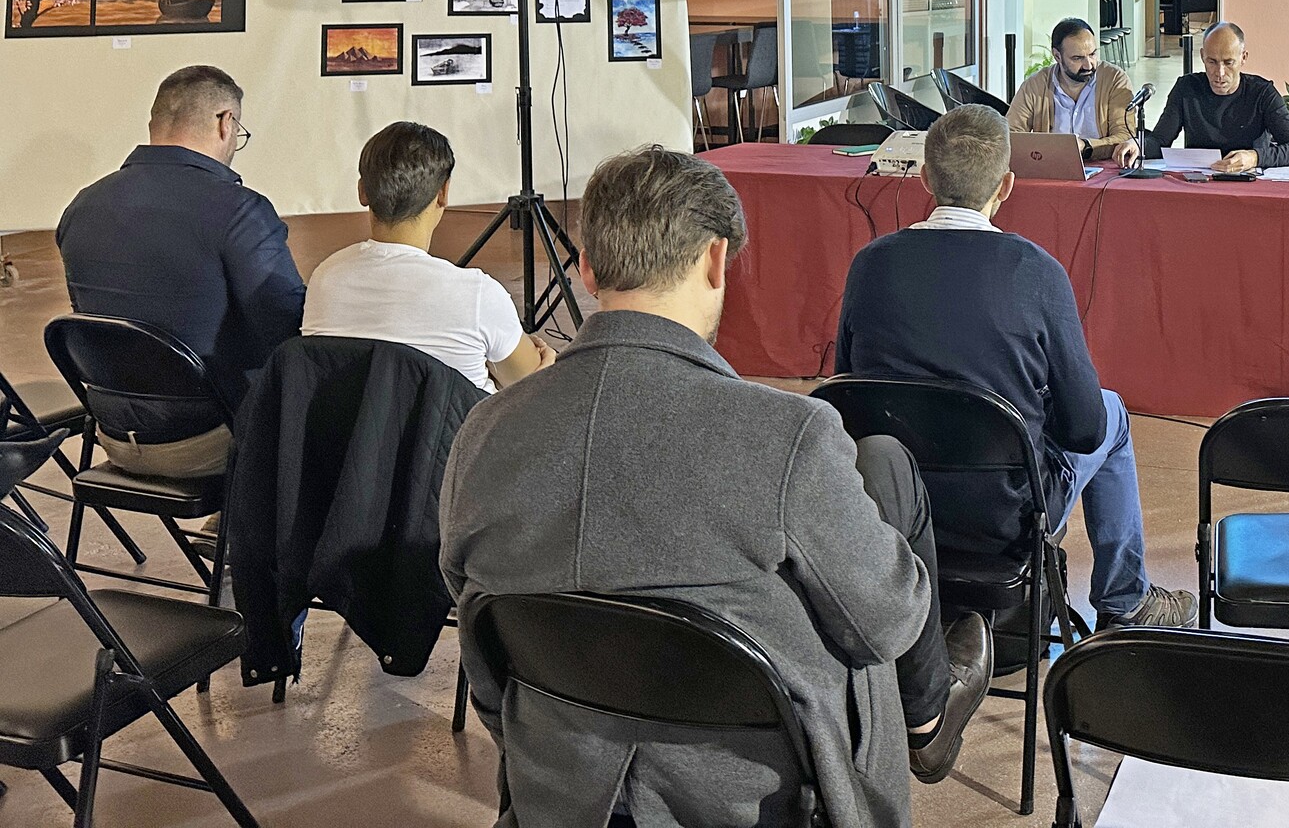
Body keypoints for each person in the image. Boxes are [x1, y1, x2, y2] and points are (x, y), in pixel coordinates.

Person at [440, 145, 992, 828]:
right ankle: (929, 719)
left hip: (556, 784)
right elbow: (889, 620)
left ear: (587, 269)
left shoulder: (483, 432)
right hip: (759, 797)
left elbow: (478, 621)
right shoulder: (789, 435)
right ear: (714, 259)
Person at [836, 106, 1194, 632]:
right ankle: (1125, 601)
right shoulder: (1036, 271)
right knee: (1112, 414)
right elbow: (1085, 428)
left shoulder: (869, 263)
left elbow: (849, 398)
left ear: (925, 178)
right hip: (1005, 514)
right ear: (1006, 185)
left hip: (891, 500)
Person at [57, 65, 303, 474]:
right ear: (226, 123)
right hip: (210, 438)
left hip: (111, 434)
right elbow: (287, 326)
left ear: (155, 123)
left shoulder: (81, 206)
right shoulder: (239, 211)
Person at [301, 122, 551, 394]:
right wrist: (548, 364)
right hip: (461, 424)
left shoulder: (325, 279)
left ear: (362, 192)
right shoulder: (478, 296)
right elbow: (530, 385)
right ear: (443, 193)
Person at [1146, 20, 1289, 173]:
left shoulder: (1262, 93)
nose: (1220, 73)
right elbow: (1159, 141)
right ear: (1202, 56)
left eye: (1228, 62)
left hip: (1248, 182)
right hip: (1200, 182)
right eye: (1212, 62)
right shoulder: (1187, 88)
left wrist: (1255, 157)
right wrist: (1138, 146)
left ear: (1243, 58)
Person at [1005, 16, 1142, 166]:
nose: (1088, 65)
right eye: (1077, 58)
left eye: (1092, 54)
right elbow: (1011, 135)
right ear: (1057, 56)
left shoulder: (1114, 79)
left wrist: (1086, 146)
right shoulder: (1035, 85)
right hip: (1050, 168)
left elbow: (1125, 135)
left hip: (1104, 168)